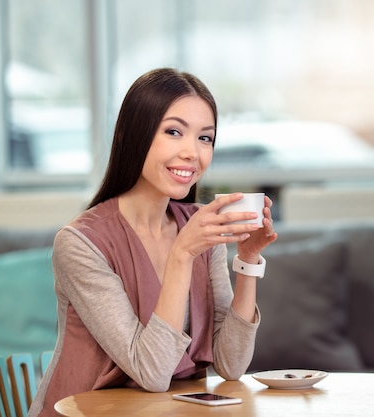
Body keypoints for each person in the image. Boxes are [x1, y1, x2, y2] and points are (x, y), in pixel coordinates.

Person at [28, 68, 277, 417]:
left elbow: (231, 364)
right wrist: (182, 254)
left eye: (205, 138)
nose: (192, 152)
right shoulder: (80, 243)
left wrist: (248, 260)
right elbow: (152, 372)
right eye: (174, 132)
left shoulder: (199, 227)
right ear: (133, 135)